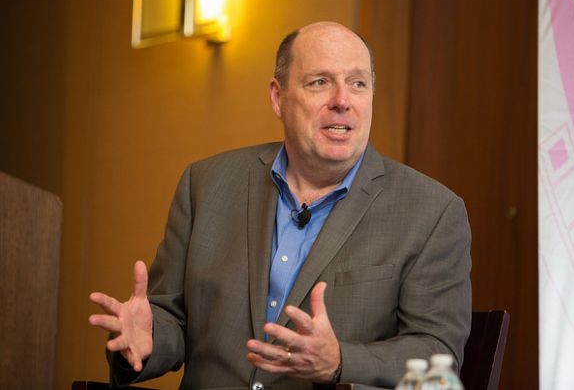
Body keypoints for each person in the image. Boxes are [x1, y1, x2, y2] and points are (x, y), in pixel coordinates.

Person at [89, 21, 472, 390]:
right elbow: (171, 317)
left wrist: (340, 362)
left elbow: (438, 360)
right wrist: (149, 337)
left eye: (358, 83)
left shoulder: (431, 212)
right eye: (320, 82)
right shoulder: (205, 185)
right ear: (278, 97)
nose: (342, 101)